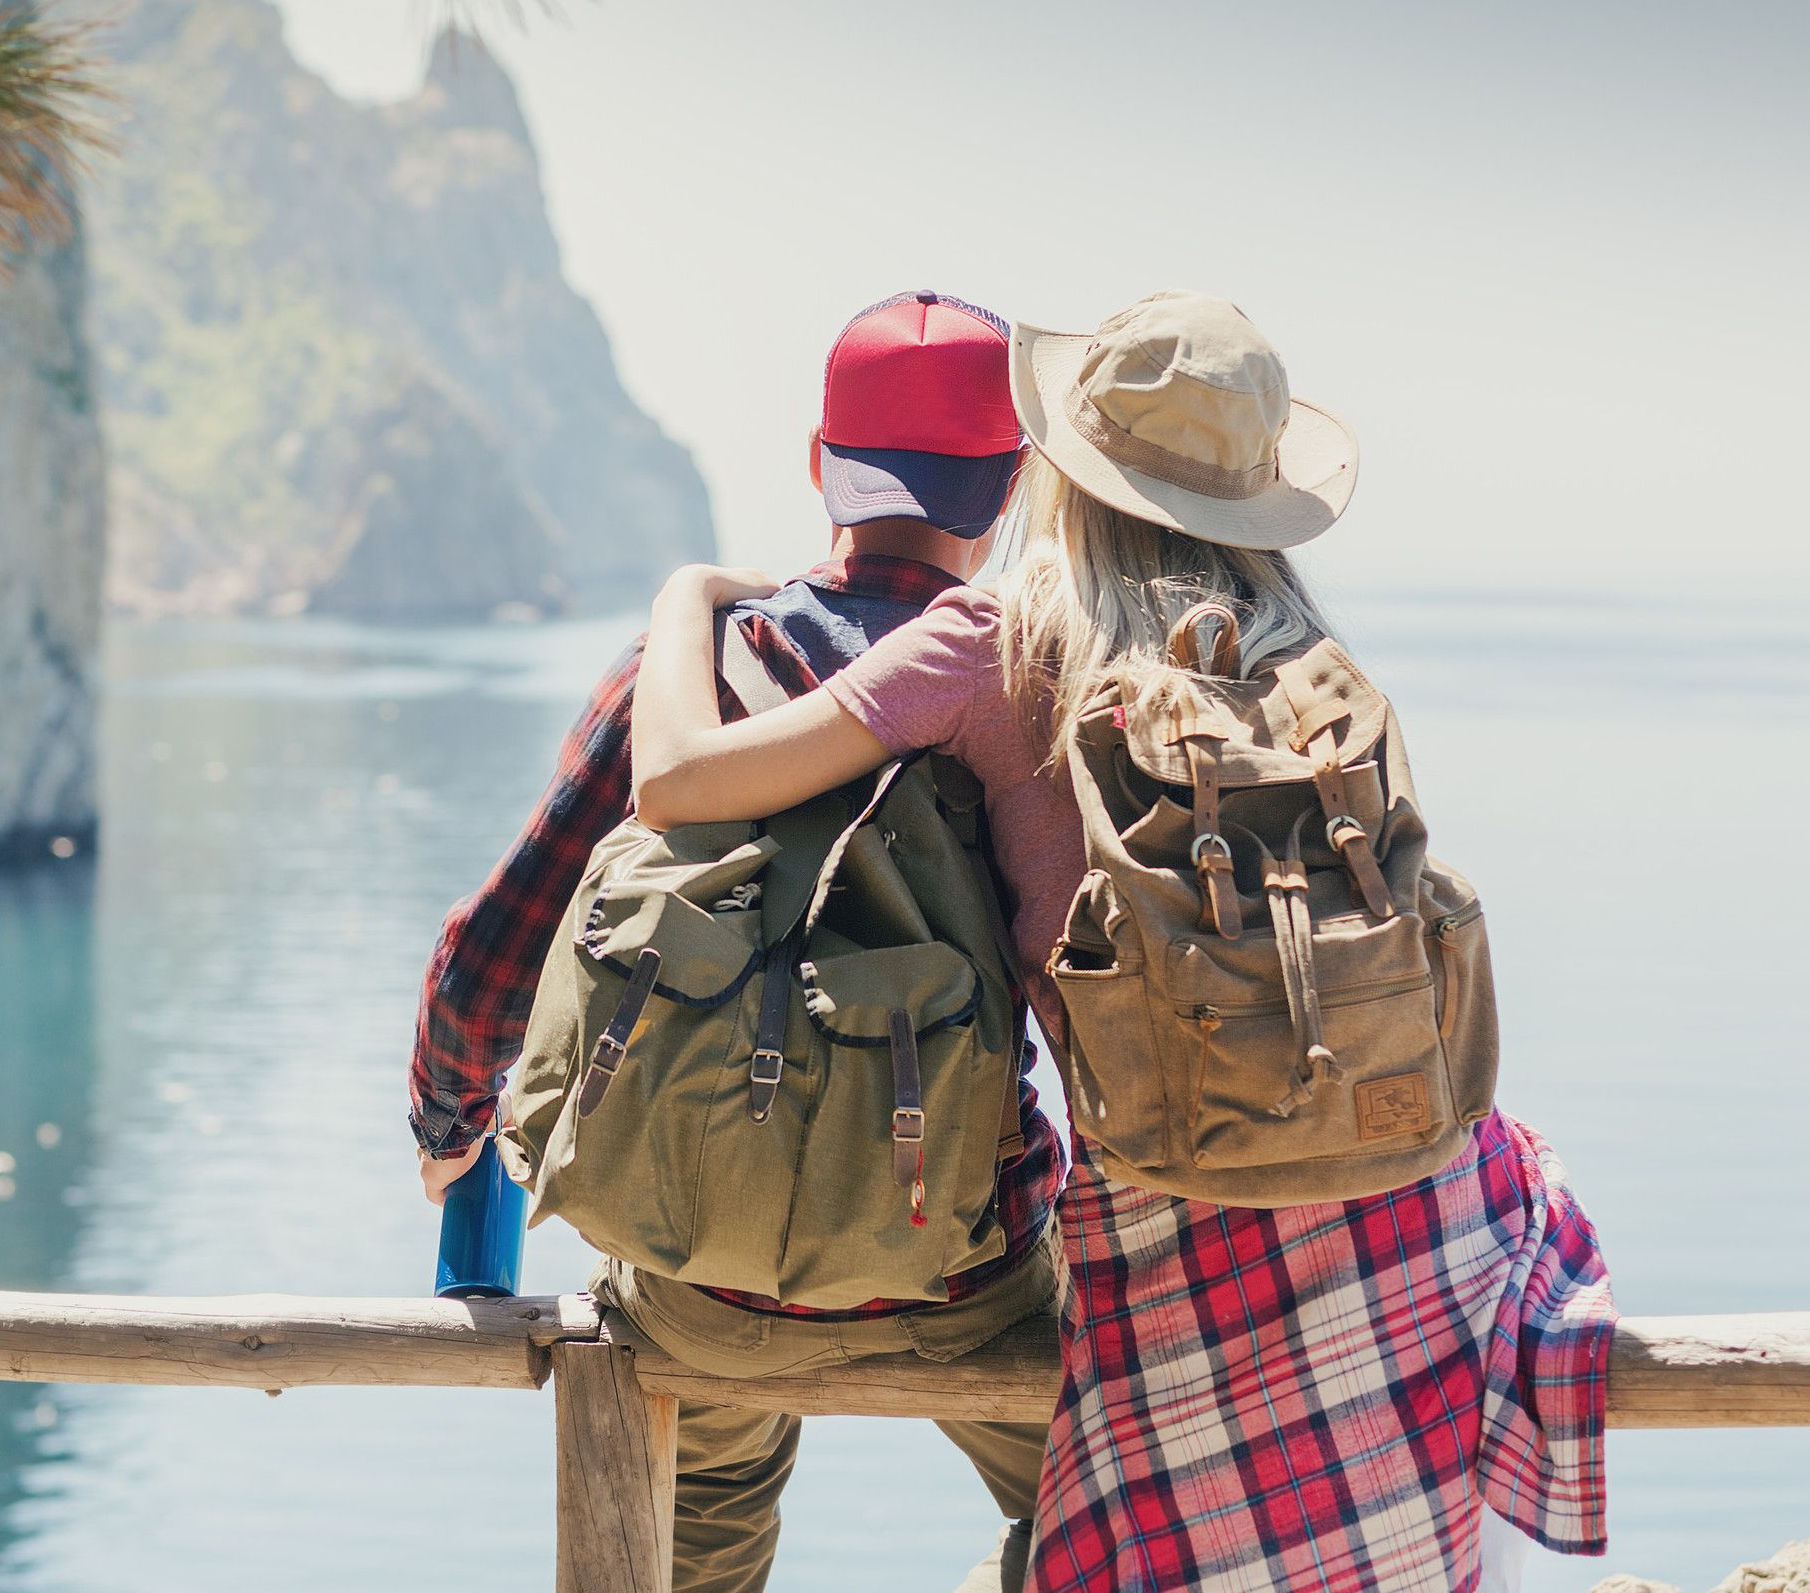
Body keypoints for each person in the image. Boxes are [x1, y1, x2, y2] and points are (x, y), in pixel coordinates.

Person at [628, 290, 1615, 1593]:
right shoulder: (1314, 667)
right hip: (1420, 1186)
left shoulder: (997, 645)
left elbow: (683, 781)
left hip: (1178, 1205)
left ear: (1068, 478)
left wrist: (688, 593)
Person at [413, 291, 1070, 1593]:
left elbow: (491, 950)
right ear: (1010, 491)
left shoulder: (690, 676)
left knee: (692, 1555)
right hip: (965, 1269)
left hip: (702, 1276)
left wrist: (453, 1136)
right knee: (1104, 1520)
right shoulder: (1023, 684)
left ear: (822, 464)